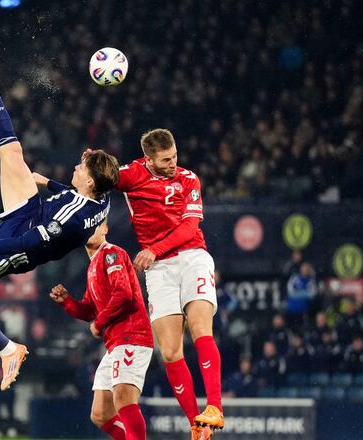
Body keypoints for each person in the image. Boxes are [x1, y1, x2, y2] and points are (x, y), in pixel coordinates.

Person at [0, 32, 119, 391]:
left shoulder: (71, 218)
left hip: (16, 250)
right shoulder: (100, 197)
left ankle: (9, 349)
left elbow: (25, 243)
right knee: (10, 150)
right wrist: (48, 182)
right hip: (33, 211)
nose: (76, 169)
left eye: (81, 170)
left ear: (89, 183)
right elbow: (77, 197)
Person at [105, 128, 224, 434]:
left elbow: (189, 227)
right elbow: (100, 177)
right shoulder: (132, 175)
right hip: (159, 270)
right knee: (170, 351)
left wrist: (153, 250)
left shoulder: (188, 179)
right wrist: (93, 162)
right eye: (166, 159)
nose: (173, 163)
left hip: (192, 256)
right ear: (149, 159)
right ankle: (197, 425)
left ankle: (215, 407)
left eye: (174, 156)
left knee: (200, 329)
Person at [49, 222, 156, 440]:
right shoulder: (92, 266)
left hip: (132, 336)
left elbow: (123, 293)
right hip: (115, 342)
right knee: (100, 413)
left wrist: (100, 323)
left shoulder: (111, 254)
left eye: (96, 225)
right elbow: (89, 311)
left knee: (124, 400)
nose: (90, 229)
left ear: (105, 229)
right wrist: (67, 302)